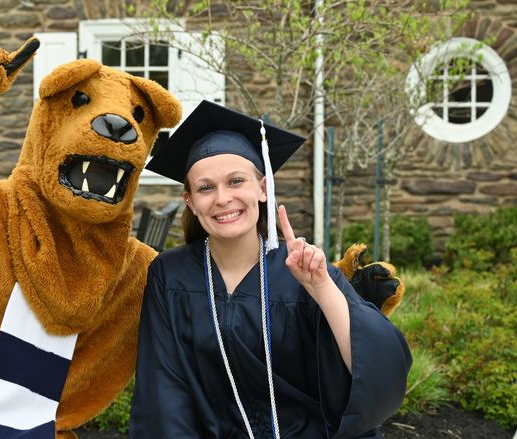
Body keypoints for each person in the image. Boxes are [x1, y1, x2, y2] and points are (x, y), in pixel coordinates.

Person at [129, 100, 412, 438]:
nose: (222, 199)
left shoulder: (304, 268)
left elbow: (375, 375)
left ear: (262, 188)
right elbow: (164, 390)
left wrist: (322, 289)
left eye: (236, 181)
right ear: (190, 200)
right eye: (206, 187)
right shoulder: (169, 275)